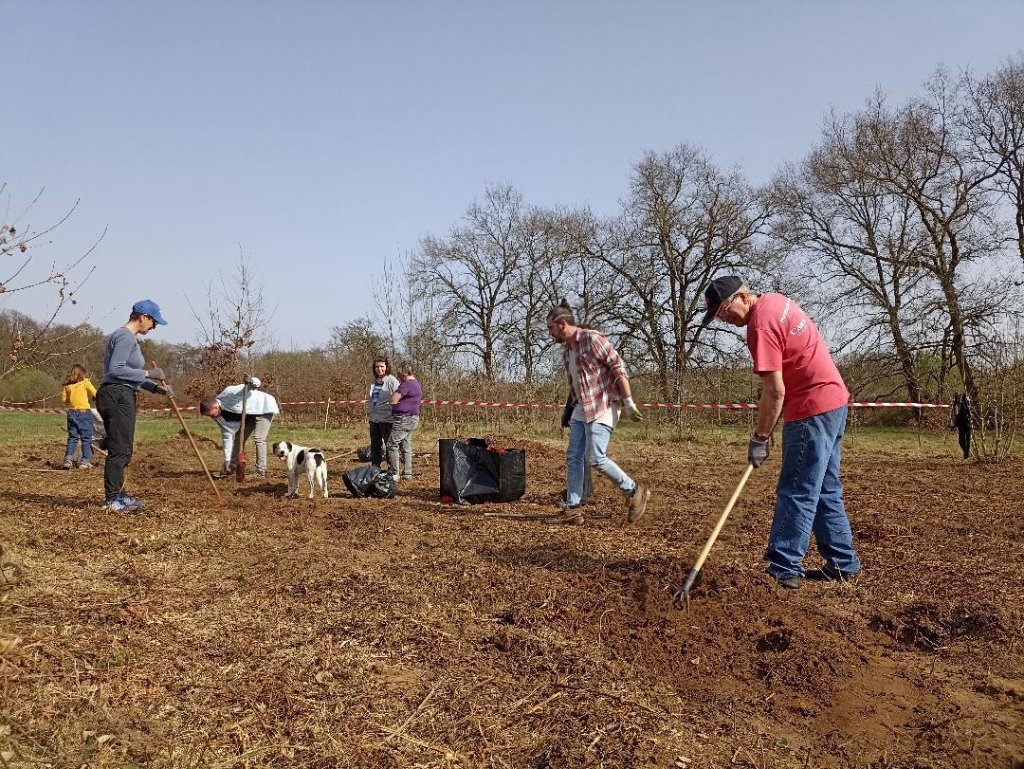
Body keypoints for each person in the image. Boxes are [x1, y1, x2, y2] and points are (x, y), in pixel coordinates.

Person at [701, 275, 862, 590]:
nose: (724, 319)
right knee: (825, 487)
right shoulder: (776, 302)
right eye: (718, 316)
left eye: (724, 311)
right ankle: (842, 563)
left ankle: (784, 567)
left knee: (797, 488)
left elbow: (775, 391)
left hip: (811, 409)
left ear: (742, 297)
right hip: (834, 401)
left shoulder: (760, 326)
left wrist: (760, 438)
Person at [545, 299, 650, 525]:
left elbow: (617, 366)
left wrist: (628, 402)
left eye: (550, 328)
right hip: (581, 408)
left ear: (562, 324)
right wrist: (568, 409)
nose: (550, 333)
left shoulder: (592, 339)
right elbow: (575, 385)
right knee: (574, 457)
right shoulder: (567, 353)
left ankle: (634, 491)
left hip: (604, 404)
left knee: (595, 457)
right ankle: (573, 508)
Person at [96, 299, 174, 512]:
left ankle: (120, 494)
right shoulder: (125, 337)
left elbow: (129, 376)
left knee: (123, 447)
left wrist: (155, 388)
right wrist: (149, 373)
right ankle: (112, 500)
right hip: (117, 394)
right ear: (143, 317)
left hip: (120, 392)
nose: (154, 326)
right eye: (154, 322)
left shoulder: (129, 338)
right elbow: (116, 370)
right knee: (120, 449)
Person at [199, 376, 280, 478]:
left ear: (215, 407)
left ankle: (260, 471)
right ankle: (230, 468)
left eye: (211, 414)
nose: (212, 417)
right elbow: (227, 437)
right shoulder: (218, 417)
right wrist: (227, 460)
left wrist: (251, 381)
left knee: (259, 439)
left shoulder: (229, 393)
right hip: (250, 415)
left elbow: (256, 384)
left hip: (264, 407)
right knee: (238, 439)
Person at [386, 361, 422, 479]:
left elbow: (393, 400)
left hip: (403, 419)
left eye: (400, 375)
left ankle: (394, 472)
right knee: (405, 445)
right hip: (412, 418)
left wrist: (392, 401)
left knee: (392, 444)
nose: (399, 377)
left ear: (404, 373)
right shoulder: (415, 383)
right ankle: (407, 472)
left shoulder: (406, 384)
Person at [61, 364, 97, 469]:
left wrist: (72, 396)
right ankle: (84, 461)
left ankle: (68, 460)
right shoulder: (85, 382)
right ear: (82, 374)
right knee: (86, 438)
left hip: (72, 413)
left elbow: (64, 400)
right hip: (84, 412)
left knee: (72, 437)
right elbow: (95, 393)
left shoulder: (67, 385)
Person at [367, 357, 400, 469]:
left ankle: (392, 469)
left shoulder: (392, 381)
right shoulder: (373, 381)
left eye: (382, 366)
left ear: (386, 367)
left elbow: (399, 396)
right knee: (375, 445)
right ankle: (375, 467)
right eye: (377, 366)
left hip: (387, 419)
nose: (379, 369)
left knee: (389, 444)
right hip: (374, 419)